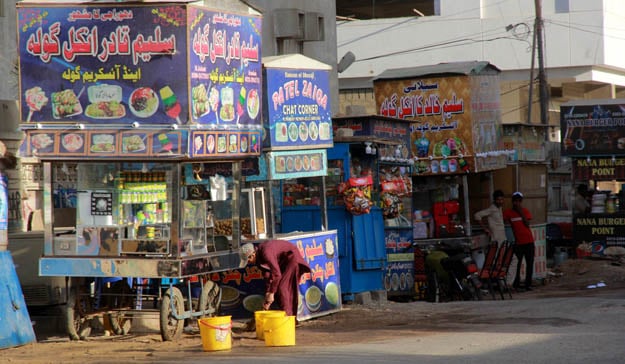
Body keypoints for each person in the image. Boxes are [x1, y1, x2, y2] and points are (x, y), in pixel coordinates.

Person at [239, 240, 311, 316]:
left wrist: (272, 292)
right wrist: (268, 293)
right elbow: (267, 275)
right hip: (282, 263)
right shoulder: (258, 259)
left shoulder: (266, 252)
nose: (248, 263)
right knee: (276, 290)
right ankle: (285, 315)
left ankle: (289, 318)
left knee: (283, 288)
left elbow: (277, 275)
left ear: (252, 255)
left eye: (248, 261)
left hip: (291, 259)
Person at [503, 191, 535, 291]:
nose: (517, 203)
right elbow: (501, 220)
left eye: (519, 201)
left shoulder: (525, 211)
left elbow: (527, 224)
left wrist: (520, 212)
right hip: (518, 243)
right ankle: (516, 283)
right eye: (515, 201)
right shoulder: (508, 213)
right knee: (517, 263)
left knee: (530, 263)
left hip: (529, 241)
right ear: (512, 202)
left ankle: (528, 284)